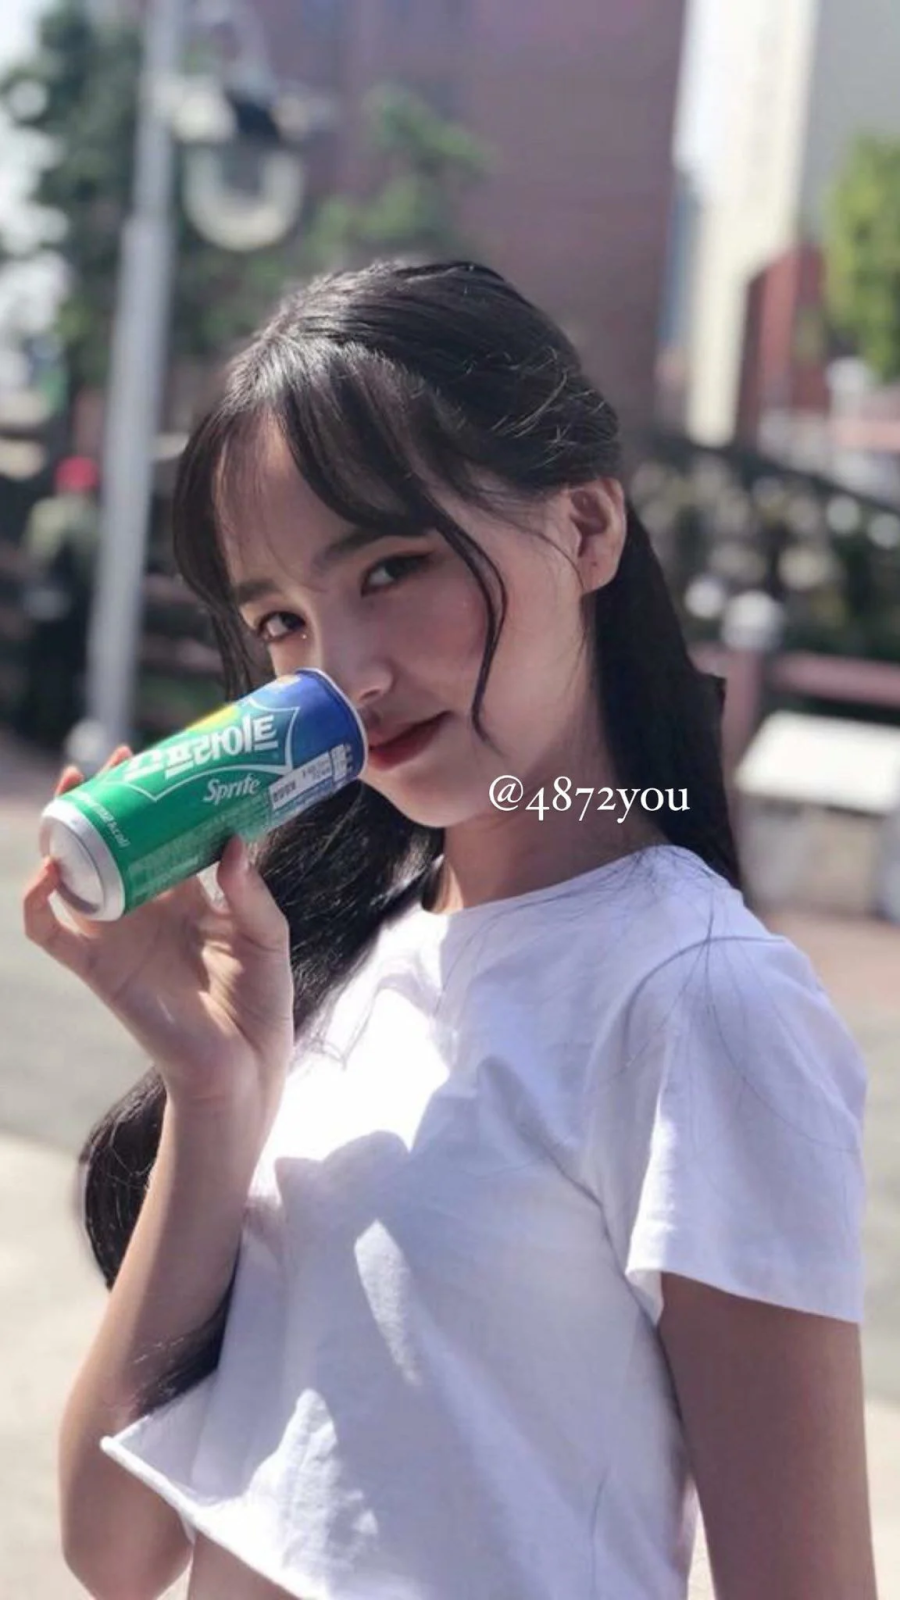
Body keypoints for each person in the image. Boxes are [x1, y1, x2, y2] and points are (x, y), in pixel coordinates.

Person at [23, 261, 876, 1600]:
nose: (345, 672)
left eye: (393, 565)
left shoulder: (698, 999)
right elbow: (115, 1548)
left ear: (586, 525)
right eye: (283, 619)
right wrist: (214, 1087)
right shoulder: (338, 964)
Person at [12, 454, 100, 750]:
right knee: (67, 671)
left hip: (43, 600)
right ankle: (55, 731)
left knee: (37, 666)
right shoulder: (93, 518)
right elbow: (91, 566)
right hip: (75, 608)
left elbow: (35, 555)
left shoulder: (45, 512)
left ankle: (29, 727)